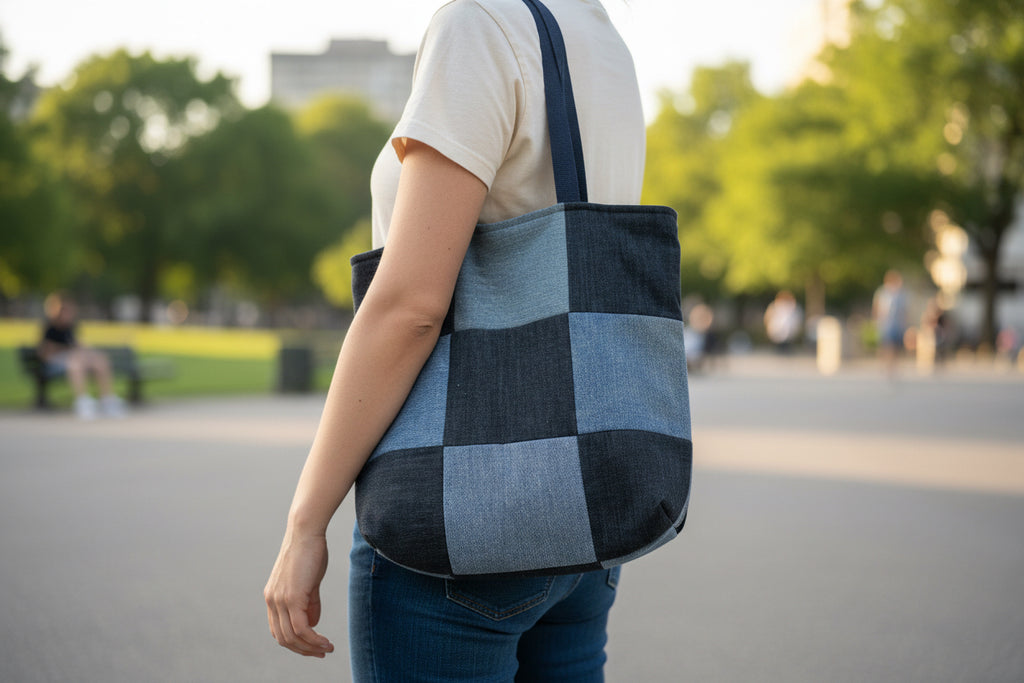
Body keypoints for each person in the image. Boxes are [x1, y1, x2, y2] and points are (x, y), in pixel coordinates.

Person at [264, 0, 644, 679]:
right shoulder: (599, 34)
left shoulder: (477, 24)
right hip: (584, 509)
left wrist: (305, 522)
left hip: (459, 517)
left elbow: (411, 307)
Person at [37, 292, 125, 420]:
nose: (69, 314)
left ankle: (107, 399)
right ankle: (82, 401)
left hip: (74, 358)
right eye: (65, 311)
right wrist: (68, 350)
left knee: (100, 359)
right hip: (55, 363)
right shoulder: (50, 328)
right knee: (76, 361)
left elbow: (77, 343)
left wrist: (87, 350)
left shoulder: (70, 327)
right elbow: (45, 352)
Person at [872, 270, 908, 376]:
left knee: (895, 345)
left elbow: (903, 310)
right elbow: (877, 307)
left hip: (896, 323)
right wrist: (876, 320)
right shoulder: (882, 292)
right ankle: (885, 365)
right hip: (885, 323)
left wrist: (904, 322)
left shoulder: (900, 294)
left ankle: (893, 366)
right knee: (886, 344)